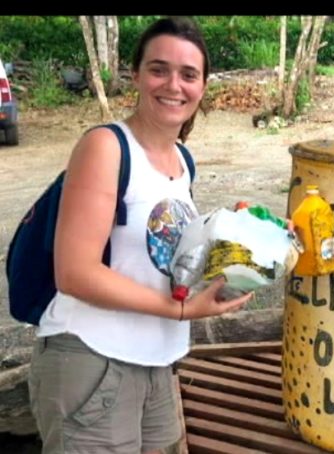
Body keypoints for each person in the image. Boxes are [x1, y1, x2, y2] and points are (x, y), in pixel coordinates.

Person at [28, 17, 253, 454]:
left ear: (204, 85)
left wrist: (241, 232)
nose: (174, 84)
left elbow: (166, 258)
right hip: (93, 360)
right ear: (136, 74)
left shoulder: (182, 160)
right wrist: (181, 312)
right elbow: (74, 273)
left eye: (189, 74)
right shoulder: (106, 147)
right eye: (159, 69)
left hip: (158, 362)